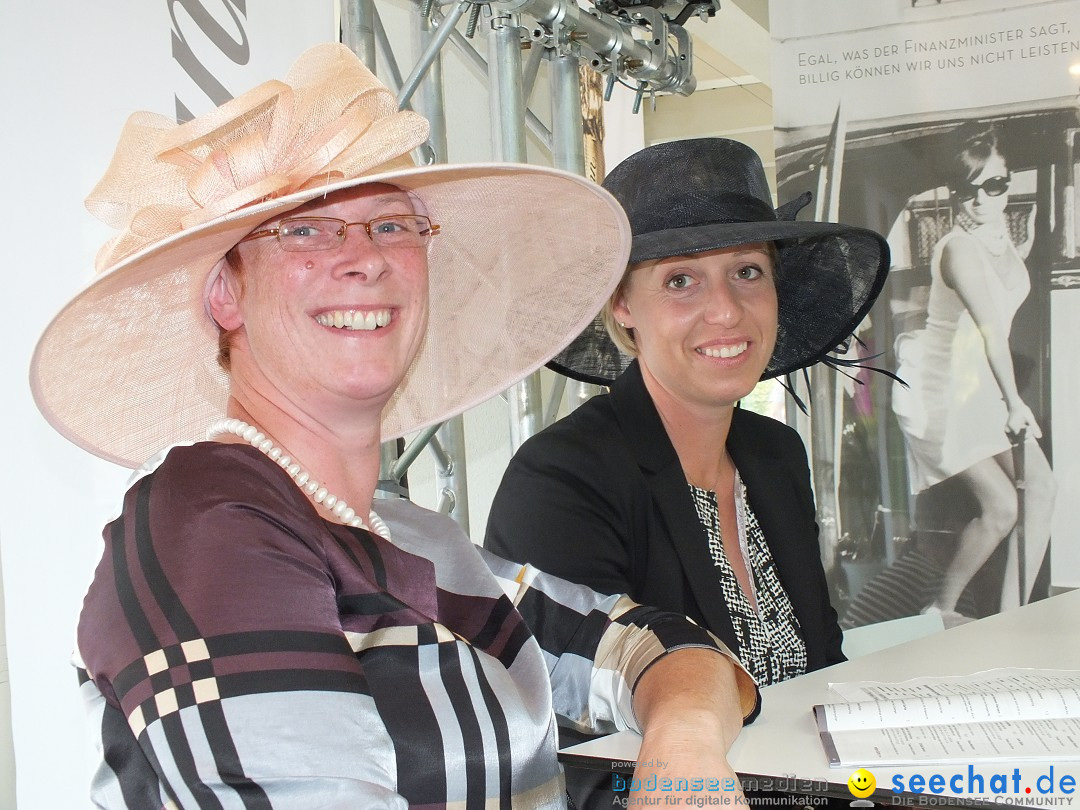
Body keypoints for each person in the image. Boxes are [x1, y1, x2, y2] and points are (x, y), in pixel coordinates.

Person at [30, 45, 758, 808]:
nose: (363, 259)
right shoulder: (204, 524)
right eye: (305, 232)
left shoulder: (416, 539)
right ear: (225, 298)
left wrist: (682, 746)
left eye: (391, 225)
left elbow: (659, 643)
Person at [484, 137, 890, 807]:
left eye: (747, 272)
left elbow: (819, 670)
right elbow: (575, 742)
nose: (726, 310)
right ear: (621, 306)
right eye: (680, 279)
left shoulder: (775, 455)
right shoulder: (562, 479)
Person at [891, 122, 1055, 624]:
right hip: (941, 392)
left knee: (1043, 490)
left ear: (1009, 183)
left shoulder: (1002, 239)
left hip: (976, 386)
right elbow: (989, 332)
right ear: (956, 191)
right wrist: (1015, 403)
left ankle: (1012, 615)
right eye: (970, 189)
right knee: (1003, 508)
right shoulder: (960, 248)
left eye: (995, 185)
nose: (982, 200)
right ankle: (940, 610)